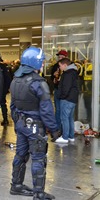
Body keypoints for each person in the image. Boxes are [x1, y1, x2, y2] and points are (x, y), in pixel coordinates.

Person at [9, 46, 60, 200]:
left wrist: (17, 123)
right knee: (38, 158)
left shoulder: (15, 80)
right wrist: (55, 129)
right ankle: (38, 193)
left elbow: (12, 105)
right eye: (42, 61)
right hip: (35, 126)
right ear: (35, 62)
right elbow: (47, 110)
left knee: (20, 155)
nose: (43, 63)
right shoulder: (39, 83)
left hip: (21, 124)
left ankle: (16, 185)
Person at [55, 58, 79, 143]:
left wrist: (61, 96)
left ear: (65, 65)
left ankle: (65, 137)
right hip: (72, 99)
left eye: (60, 66)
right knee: (70, 118)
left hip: (66, 99)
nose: (60, 68)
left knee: (64, 118)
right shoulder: (74, 72)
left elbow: (66, 87)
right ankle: (70, 136)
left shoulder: (67, 74)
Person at [50, 50, 68, 132]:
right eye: (59, 57)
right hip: (57, 89)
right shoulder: (55, 66)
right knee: (58, 110)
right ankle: (57, 128)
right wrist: (54, 76)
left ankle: (65, 129)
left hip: (65, 91)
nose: (60, 58)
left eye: (62, 57)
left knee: (65, 110)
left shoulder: (69, 68)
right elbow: (51, 78)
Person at [0, 52, 12, 127]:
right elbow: (8, 79)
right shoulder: (4, 67)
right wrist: (6, 89)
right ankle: (5, 119)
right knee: (2, 104)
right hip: (2, 89)